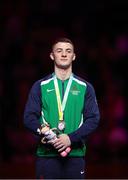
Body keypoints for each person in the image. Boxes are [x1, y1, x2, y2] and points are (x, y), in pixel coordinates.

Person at [23, 37, 100, 179]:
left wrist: (70, 138)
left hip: (75, 156)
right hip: (46, 156)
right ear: (52, 55)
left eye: (68, 51)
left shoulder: (85, 87)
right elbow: (28, 118)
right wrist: (44, 131)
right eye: (59, 51)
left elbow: (93, 119)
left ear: (74, 56)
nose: (64, 54)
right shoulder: (40, 86)